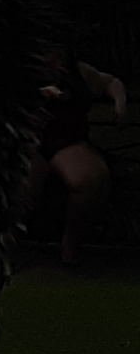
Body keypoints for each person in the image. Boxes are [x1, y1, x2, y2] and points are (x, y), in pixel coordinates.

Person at [29, 45, 129, 267]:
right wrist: (39, 94)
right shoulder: (26, 71)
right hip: (31, 142)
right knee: (22, 186)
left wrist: (120, 105)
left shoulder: (79, 71)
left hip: (69, 141)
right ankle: (9, 243)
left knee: (91, 179)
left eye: (59, 54)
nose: (56, 60)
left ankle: (70, 244)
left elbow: (110, 82)